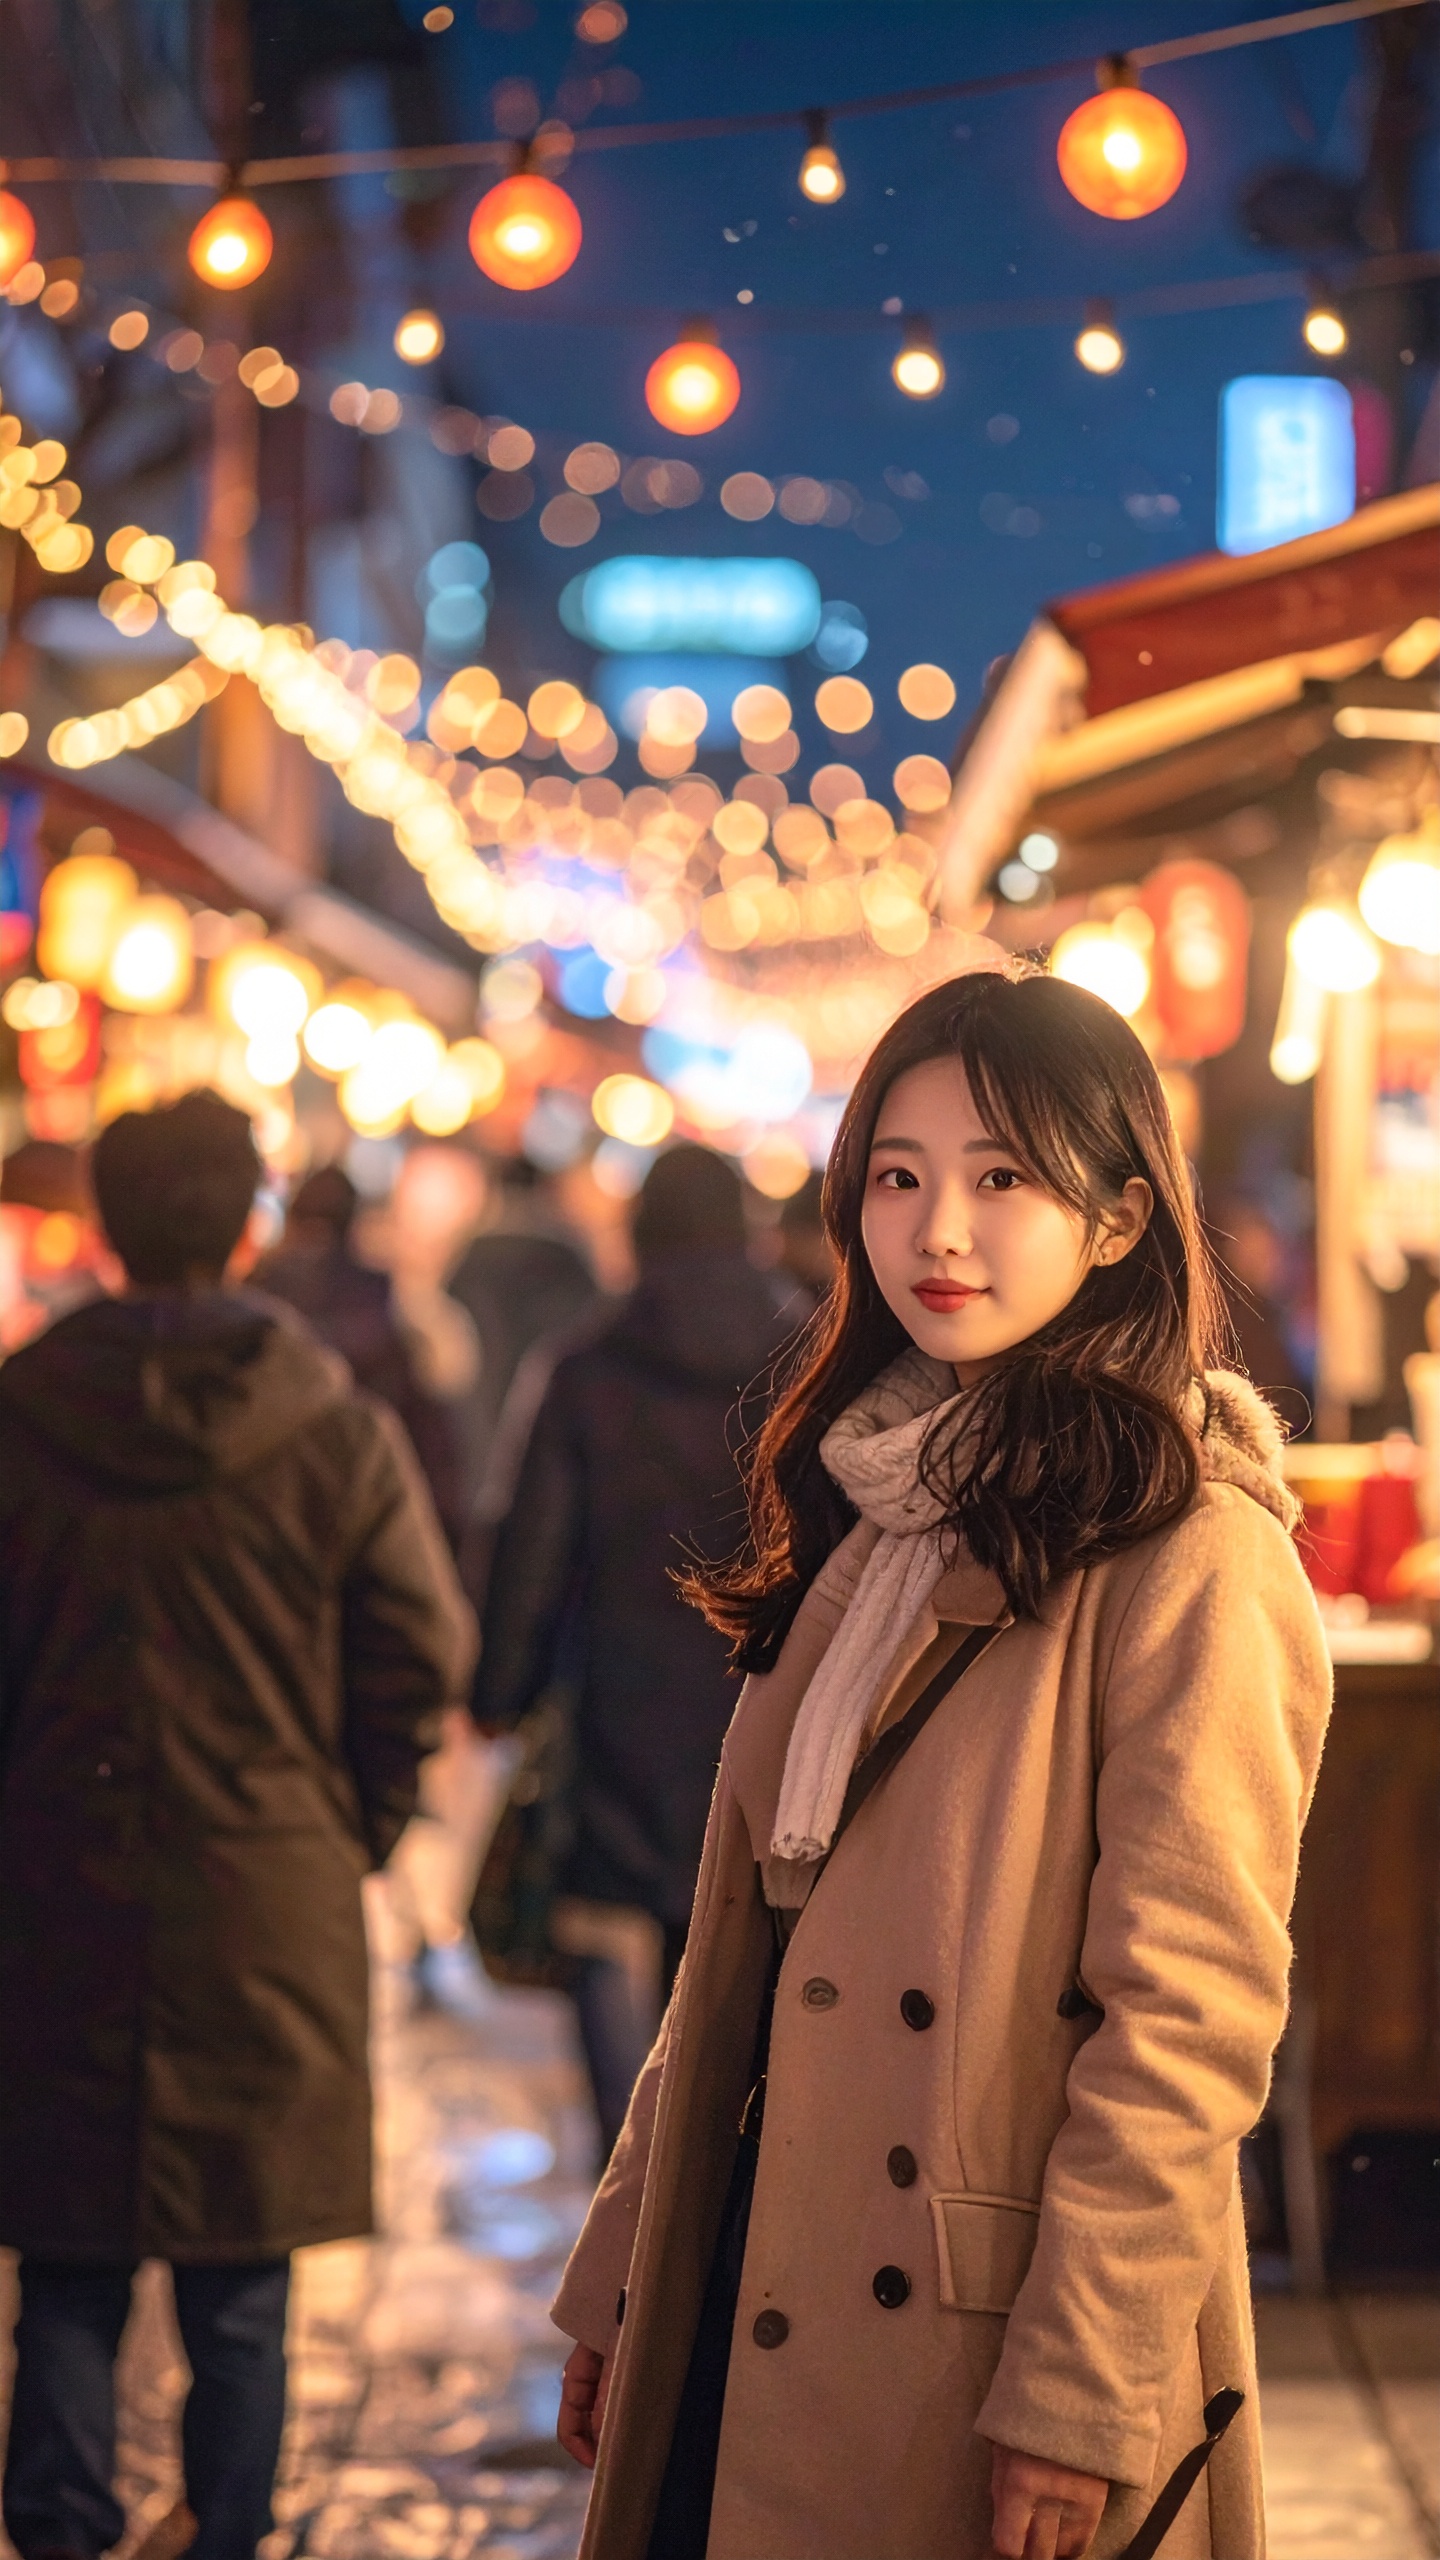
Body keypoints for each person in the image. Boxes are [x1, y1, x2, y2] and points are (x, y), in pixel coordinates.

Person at [550, 968, 1332, 2560]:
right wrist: (630, 2265)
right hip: (754, 2269)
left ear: (1118, 1219)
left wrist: (1080, 2388)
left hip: (979, 2339)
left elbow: (1185, 2021)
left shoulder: (1193, 1556)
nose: (939, 1233)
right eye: (898, 1180)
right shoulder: (881, 1507)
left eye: (1001, 1179)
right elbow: (739, 1969)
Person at [0, 1089, 474, 2560]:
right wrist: (353, 1818)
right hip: (267, 1889)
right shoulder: (329, 1427)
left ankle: (61, 2532)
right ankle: (228, 2536)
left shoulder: (21, 1414)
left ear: (106, 1225)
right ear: (251, 1220)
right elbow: (420, 1651)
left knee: (67, 2268)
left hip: (53, 1880)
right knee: (243, 2277)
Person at [472, 1145, 785, 2158]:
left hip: (622, 1704)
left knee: (610, 1934)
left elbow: (534, 1549)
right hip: (769, 1703)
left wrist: (500, 1690)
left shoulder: (586, 1365)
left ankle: (632, 2171)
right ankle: (716, 2175)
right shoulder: (806, 1360)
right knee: (742, 1938)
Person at [254, 1160, 469, 1547]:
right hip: (367, 1517)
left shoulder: (257, 1300)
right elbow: (432, 1441)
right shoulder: (387, 1303)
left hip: (272, 1525)